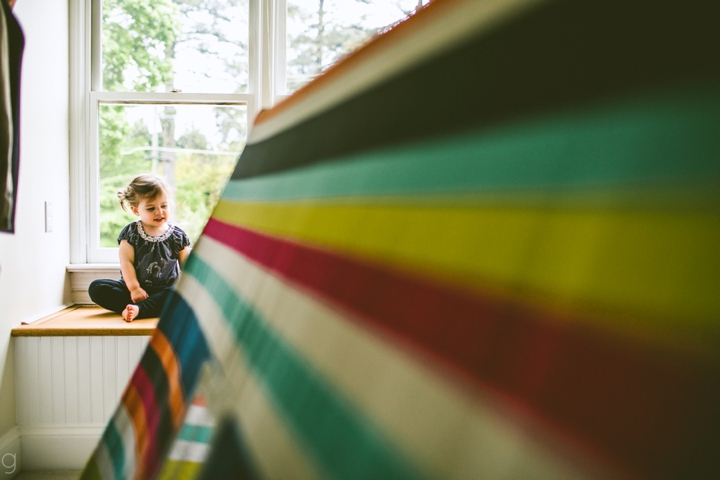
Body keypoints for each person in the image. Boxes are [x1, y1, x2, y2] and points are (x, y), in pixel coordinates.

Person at [88, 174, 191, 322]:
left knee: (180, 291)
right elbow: (126, 263)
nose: (159, 212)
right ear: (136, 210)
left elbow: (188, 267)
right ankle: (147, 307)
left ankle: (140, 309)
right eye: (151, 208)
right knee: (97, 288)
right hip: (132, 290)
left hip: (165, 290)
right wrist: (134, 288)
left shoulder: (177, 235)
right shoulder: (131, 233)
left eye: (164, 206)